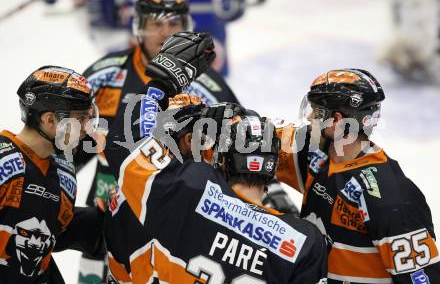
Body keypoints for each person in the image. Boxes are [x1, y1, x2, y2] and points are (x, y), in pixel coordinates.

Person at [103, 31, 328, 284]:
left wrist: (160, 84)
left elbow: (128, 142)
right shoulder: (304, 240)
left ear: (221, 158)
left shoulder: (190, 194)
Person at [73, 0, 240, 282]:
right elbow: (68, 147)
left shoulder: (207, 85)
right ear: (139, 26)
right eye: (156, 24)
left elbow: (241, 146)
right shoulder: (105, 75)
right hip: (108, 214)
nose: (165, 33)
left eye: (173, 23)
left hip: (177, 220)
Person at [275, 68, 440, 283]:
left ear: (336, 120)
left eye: (316, 112)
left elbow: (422, 279)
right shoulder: (318, 151)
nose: (308, 117)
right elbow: (258, 138)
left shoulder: (391, 198)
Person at [0, 66, 100, 283]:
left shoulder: (65, 174)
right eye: (80, 119)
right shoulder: (3, 162)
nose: (86, 128)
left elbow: (50, 236)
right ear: (50, 120)